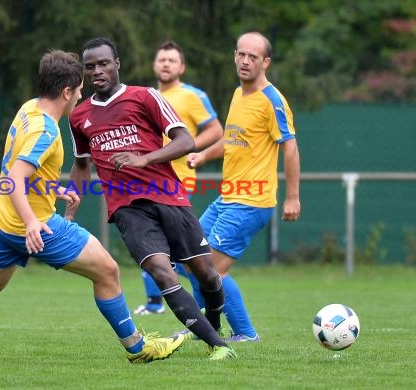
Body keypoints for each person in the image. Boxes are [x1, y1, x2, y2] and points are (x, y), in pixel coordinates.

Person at [0, 50, 185, 364]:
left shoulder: (29, 109)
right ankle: (138, 348)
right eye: (79, 90)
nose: (81, 95)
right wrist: (31, 223)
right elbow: (16, 176)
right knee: (108, 270)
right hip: (31, 223)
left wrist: (54, 189)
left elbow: (20, 171)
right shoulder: (46, 131)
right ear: (66, 91)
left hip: (1, 216)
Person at [67, 37, 236, 360]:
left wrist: (144, 159)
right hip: (127, 209)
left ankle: (212, 328)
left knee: (206, 274)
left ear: (118, 63)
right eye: (90, 67)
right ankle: (219, 346)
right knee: (161, 272)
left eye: (103, 63)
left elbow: (185, 140)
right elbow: (81, 163)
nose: (97, 71)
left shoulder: (145, 97)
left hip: (169, 197)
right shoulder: (79, 116)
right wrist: (72, 203)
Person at [186, 31, 301, 342]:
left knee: (212, 269)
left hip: (252, 202)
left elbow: (289, 147)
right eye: (241, 54)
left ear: (266, 62)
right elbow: (231, 138)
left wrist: (292, 197)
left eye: (253, 56)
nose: (245, 61)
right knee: (188, 255)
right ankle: (204, 325)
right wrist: (203, 154)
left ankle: (245, 333)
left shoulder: (272, 100)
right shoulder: (239, 94)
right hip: (228, 197)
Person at [133, 40, 224, 316]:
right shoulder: (146, 95)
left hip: (178, 180)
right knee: (151, 243)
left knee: (172, 249)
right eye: (161, 59)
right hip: (147, 178)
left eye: (171, 60)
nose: (165, 64)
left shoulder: (192, 95)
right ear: (154, 64)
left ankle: (208, 290)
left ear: (181, 67)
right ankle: (158, 303)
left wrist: (190, 147)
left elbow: (216, 130)